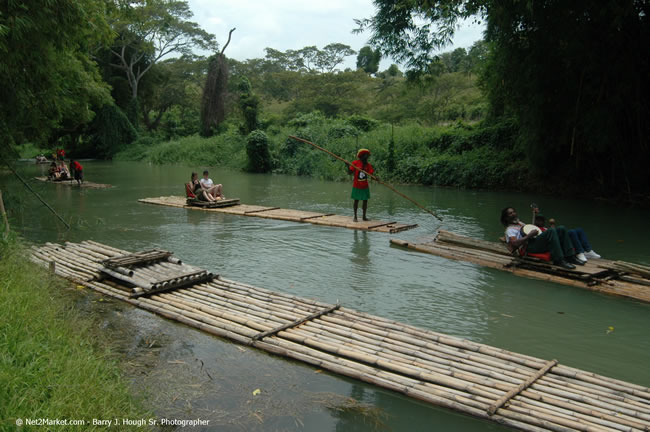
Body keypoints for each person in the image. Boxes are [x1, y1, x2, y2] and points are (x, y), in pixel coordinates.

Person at [500, 207, 582, 269]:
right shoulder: (509, 230)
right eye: (510, 213)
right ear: (506, 218)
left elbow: (531, 229)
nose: (513, 214)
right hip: (528, 248)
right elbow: (515, 244)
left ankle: (570, 256)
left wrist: (535, 215)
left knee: (561, 228)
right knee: (551, 231)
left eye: (514, 212)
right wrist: (529, 236)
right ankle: (559, 260)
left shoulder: (520, 223)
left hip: (534, 241)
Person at [534, 212, 601, 262]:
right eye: (538, 220)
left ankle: (588, 251)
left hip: (557, 238)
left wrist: (552, 228)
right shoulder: (534, 229)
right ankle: (579, 252)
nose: (540, 222)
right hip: (552, 243)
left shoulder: (545, 228)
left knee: (579, 230)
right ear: (535, 221)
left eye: (541, 220)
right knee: (572, 232)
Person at [349, 149, 374, 222]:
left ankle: (364, 217)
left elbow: (371, 174)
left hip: (365, 186)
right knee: (356, 201)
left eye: (367, 156)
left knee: (365, 201)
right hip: (357, 185)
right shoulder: (355, 163)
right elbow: (350, 172)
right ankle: (355, 217)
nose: (366, 157)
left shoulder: (368, 165)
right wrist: (348, 166)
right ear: (362, 156)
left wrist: (375, 178)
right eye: (365, 155)